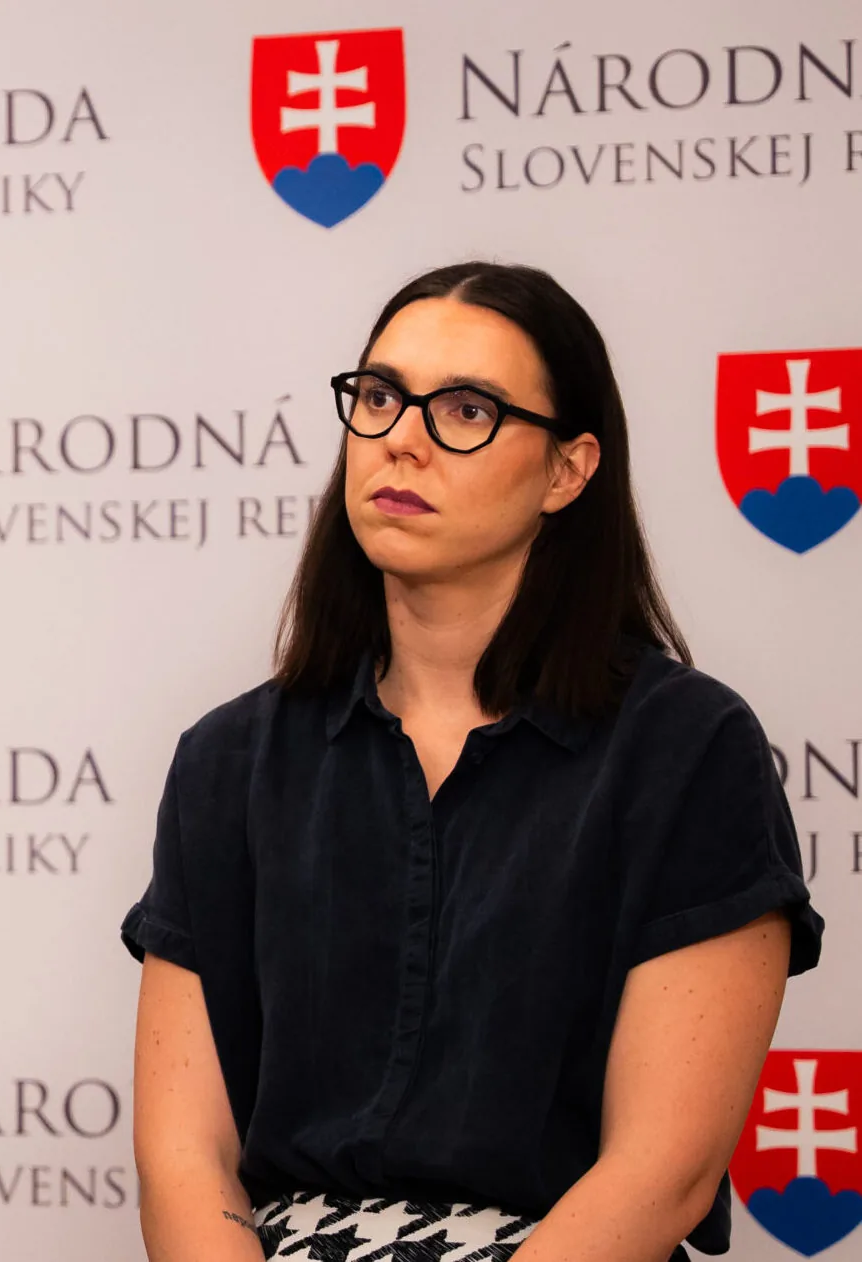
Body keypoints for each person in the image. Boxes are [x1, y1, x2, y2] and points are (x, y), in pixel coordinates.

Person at [124, 262, 821, 1261]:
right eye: (379, 397)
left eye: (466, 410)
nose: (401, 438)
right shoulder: (228, 760)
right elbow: (184, 1157)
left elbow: (662, 1170)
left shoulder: (685, 750)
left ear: (567, 471)